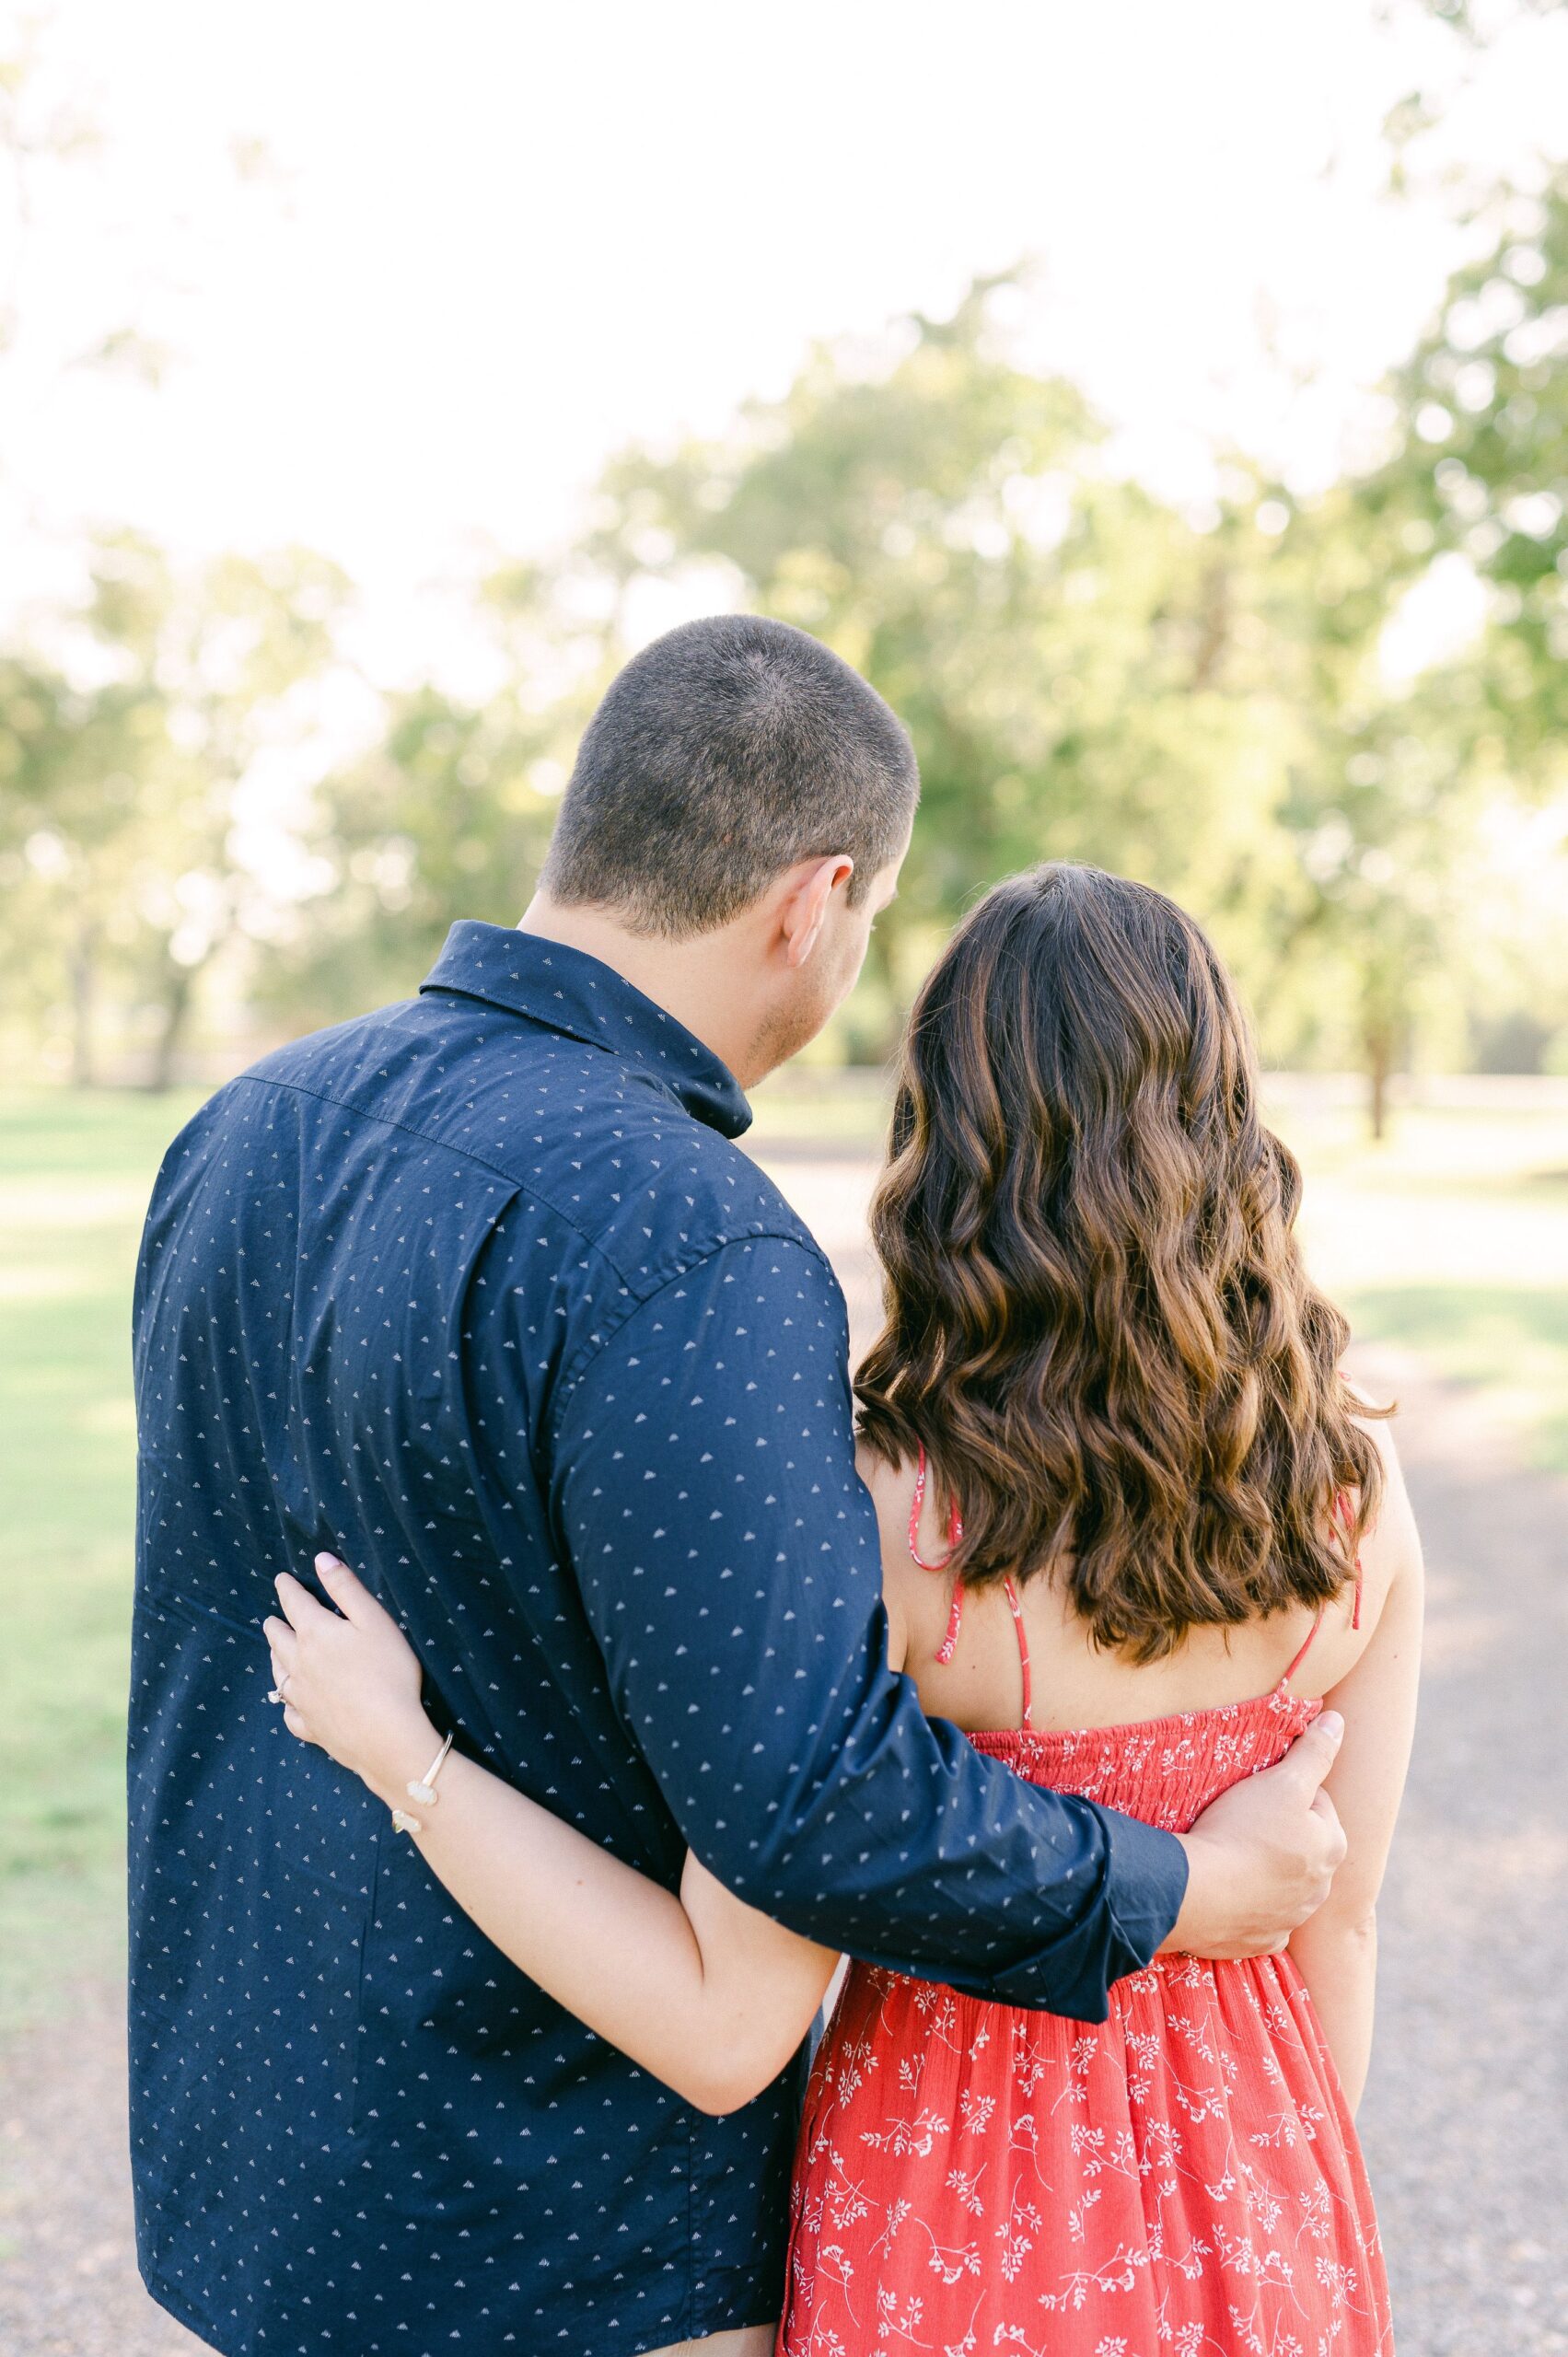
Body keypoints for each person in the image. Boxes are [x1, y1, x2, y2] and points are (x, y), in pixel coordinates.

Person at [131, 620, 1345, 2357]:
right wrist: (1174, 1893)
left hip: (251, 2195)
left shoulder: (242, 1130)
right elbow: (811, 1800)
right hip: (555, 2243)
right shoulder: (684, 1233)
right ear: (815, 901)